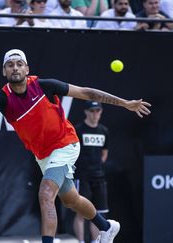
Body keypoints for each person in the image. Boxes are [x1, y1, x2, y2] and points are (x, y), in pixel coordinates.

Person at [0, 49, 151, 243]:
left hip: (65, 144)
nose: (15, 68)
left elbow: (85, 92)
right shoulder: (2, 98)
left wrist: (125, 103)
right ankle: (106, 227)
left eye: (19, 64)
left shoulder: (45, 86)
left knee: (46, 194)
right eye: (10, 65)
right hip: (43, 155)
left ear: (27, 68)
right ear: (4, 71)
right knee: (70, 200)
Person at [73, 101, 110, 243]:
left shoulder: (104, 131)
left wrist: (97, 166)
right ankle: (81, 241)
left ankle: (96, 241)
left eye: (97, 111)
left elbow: (104, 153)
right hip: (82, 178)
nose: (95, 114)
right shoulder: (78, 130)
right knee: (81, 213)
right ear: (86, 112)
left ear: (101, 112)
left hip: (99, 178)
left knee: (99, 214)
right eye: (92, 111)